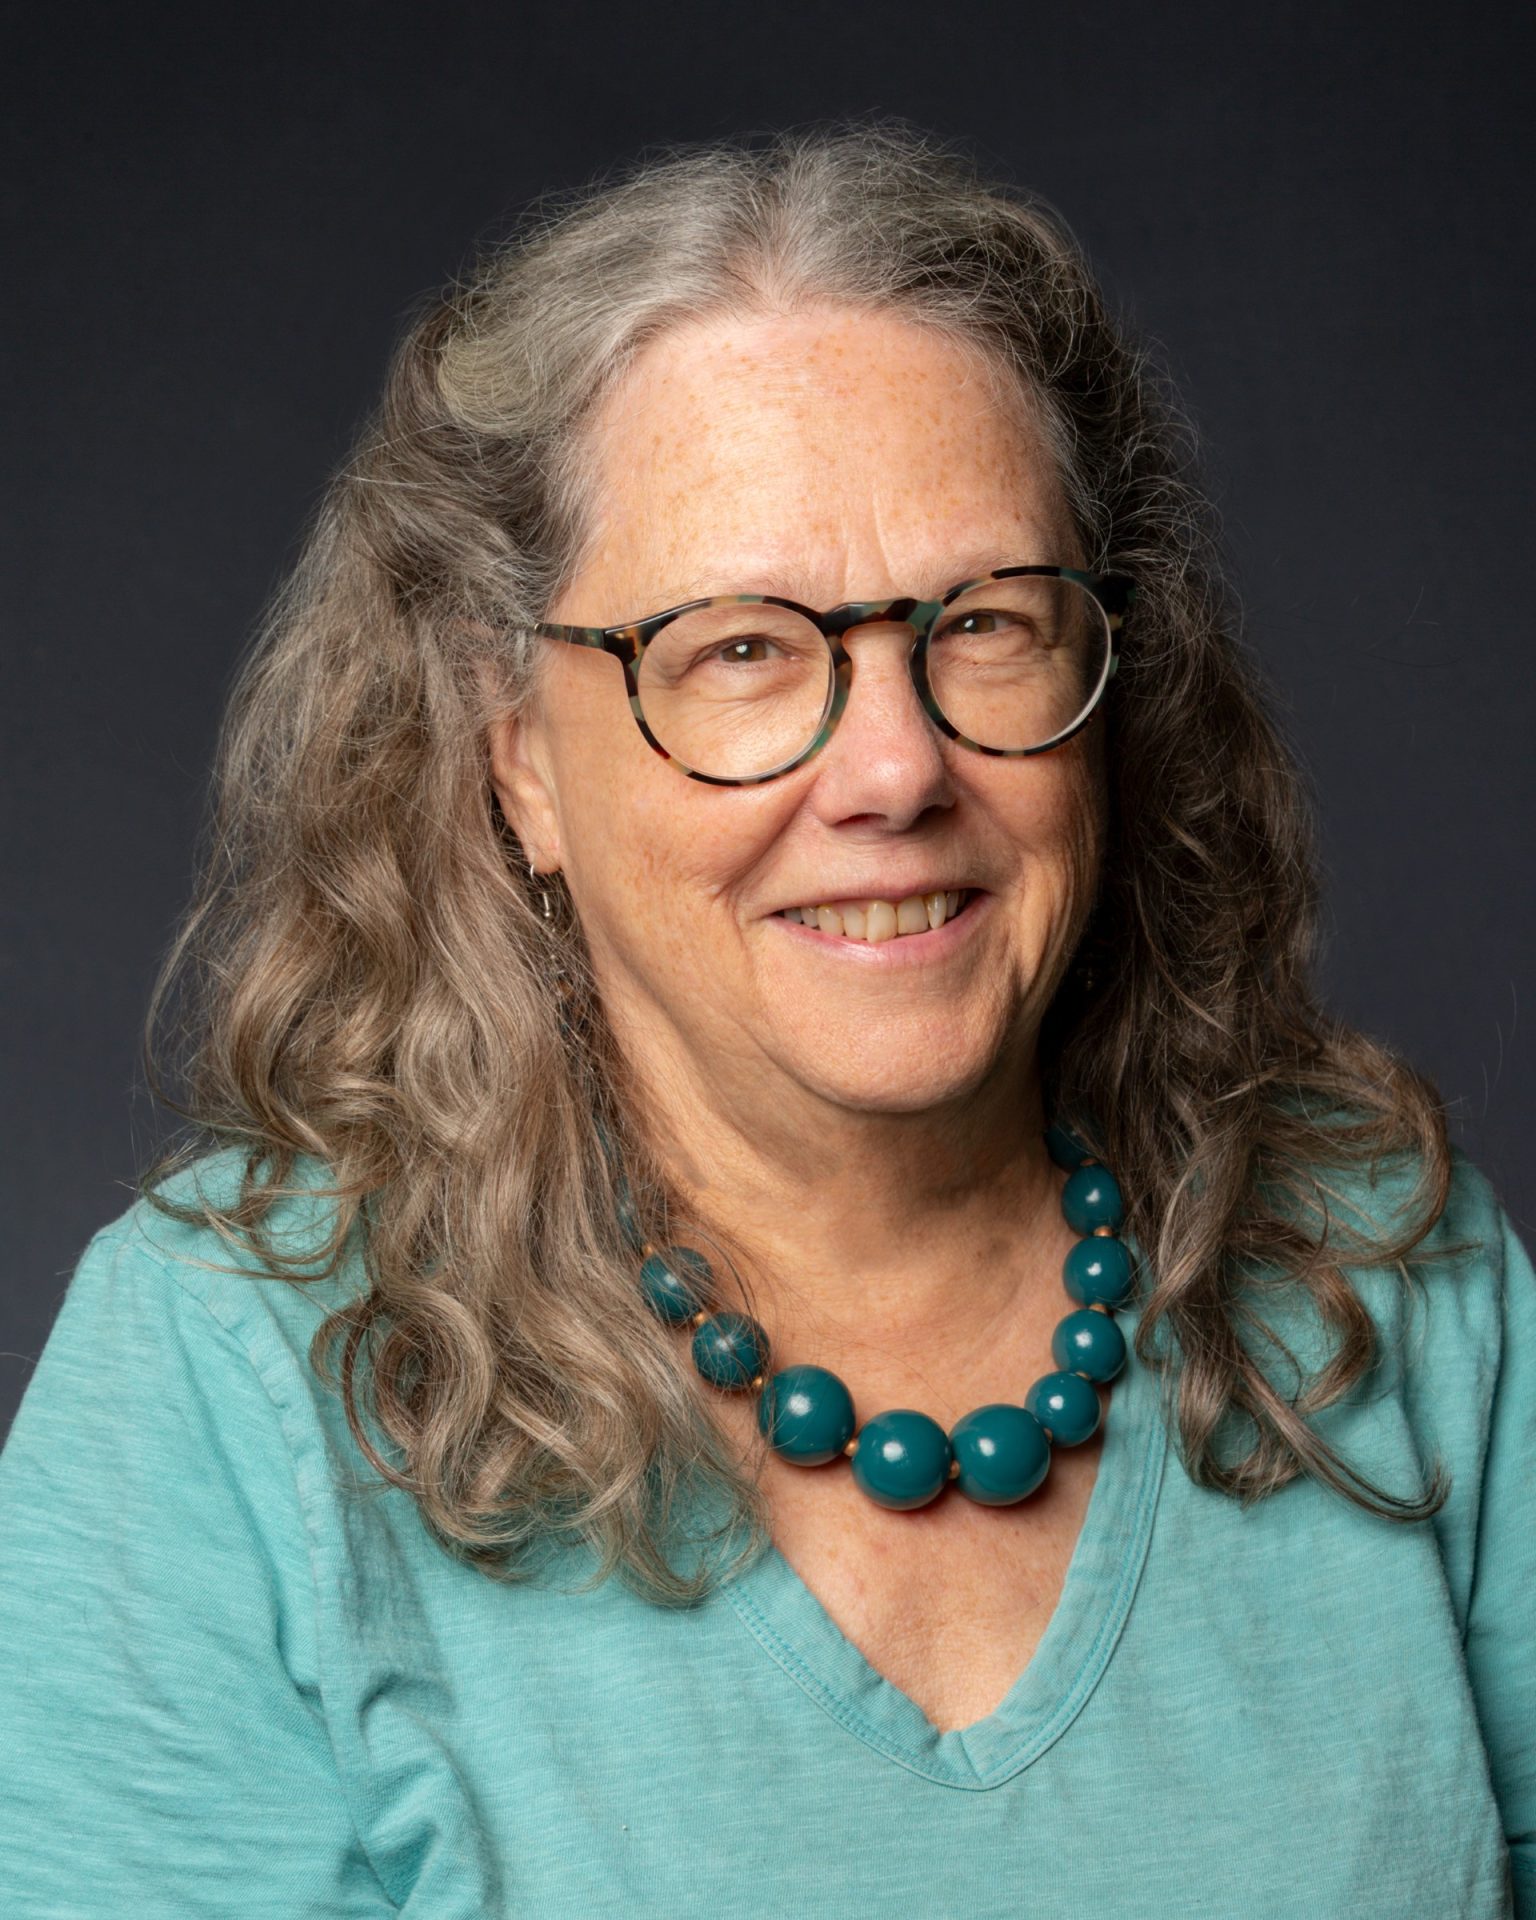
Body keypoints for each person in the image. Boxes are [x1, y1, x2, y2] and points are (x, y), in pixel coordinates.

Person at [1, 124, 1530, 1919]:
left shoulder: (1395, 1281)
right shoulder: (226, 1377)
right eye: (737, 649)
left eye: (986, 624)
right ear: (520, 773)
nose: (894, 767)